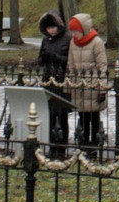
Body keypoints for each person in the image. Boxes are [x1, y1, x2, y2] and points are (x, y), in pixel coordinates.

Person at [67, 13, 108, 154]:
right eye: (72, 31)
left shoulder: (97, 42)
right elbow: (70, 65)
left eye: (76, 31)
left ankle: (94, 145)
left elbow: (102, 67)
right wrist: (69, 86)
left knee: (94, 117)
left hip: (93, 85)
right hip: (79, 86)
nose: (74, 34)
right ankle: (83, 144)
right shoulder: (73, 43)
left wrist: (102, 89)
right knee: (82, 117)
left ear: (84, 29)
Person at [37, 11, 72, 159]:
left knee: (62, 115)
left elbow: (70, 61)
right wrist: (42, 58)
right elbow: (39, 60)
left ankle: (62, 147)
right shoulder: (45, 41)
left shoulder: (67, 39)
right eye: (48, 28)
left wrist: (56, 57)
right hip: (48, 80)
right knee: (50, 116)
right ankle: (52, 146)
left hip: (61, 80)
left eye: (53, 28)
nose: (51, 31)